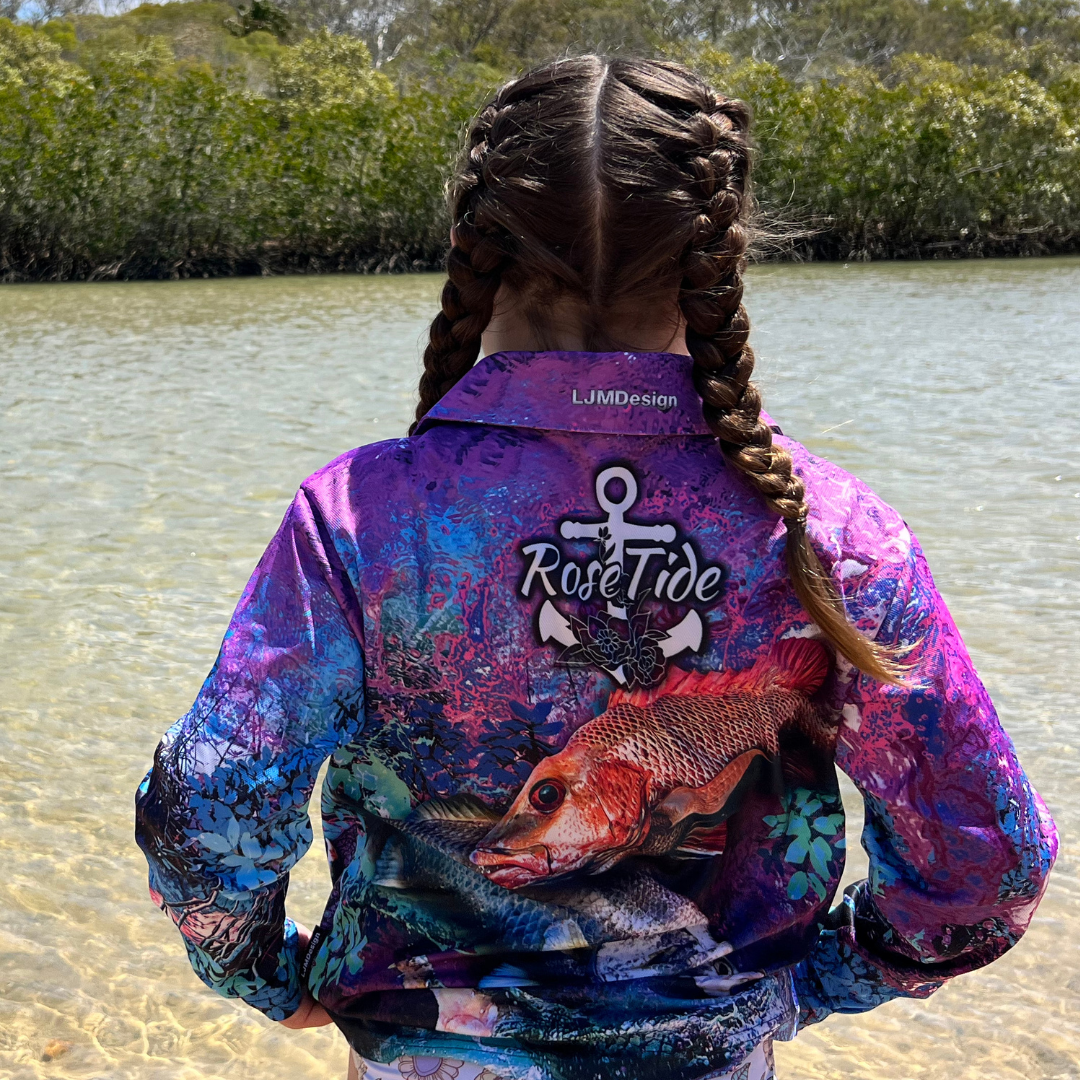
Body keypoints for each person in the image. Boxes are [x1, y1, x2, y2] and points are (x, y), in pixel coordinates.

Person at [135, 55, 1057, 1080]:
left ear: (472, 250)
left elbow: (206, 818)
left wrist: (273, 977)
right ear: (723, 257)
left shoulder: (357, 518)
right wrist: (809, 985)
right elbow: (986, 861)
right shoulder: (834, 532)